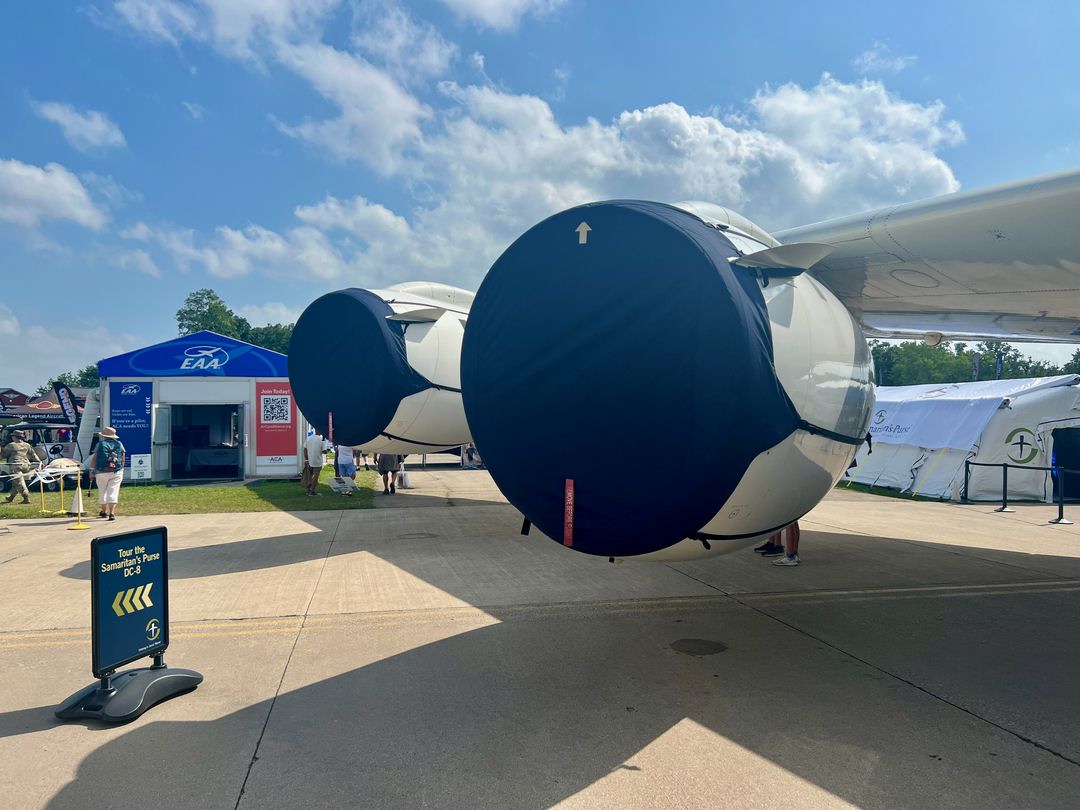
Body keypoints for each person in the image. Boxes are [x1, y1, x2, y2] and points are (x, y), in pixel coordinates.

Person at [87, 426, 126, 520]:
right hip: (116, 471)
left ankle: (104, 512)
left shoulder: (100, 444)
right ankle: (112, 513)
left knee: (102, 491)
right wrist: (121, 468)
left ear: (104, 436)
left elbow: (95, 458)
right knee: (113, 491)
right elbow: (123, 457)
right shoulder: (119, 444)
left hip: (101, 471)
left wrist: (92, 471)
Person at [2, 429, 43, 504]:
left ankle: (26, 498)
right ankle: (11, 497)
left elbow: (3, 455)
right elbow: (33, 454)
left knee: (19, 482)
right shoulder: (27, 445)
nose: (12, 438)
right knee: (16, 482)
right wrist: (39, 461)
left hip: (15, 465)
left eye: (13, 436)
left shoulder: (11, 445)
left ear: (15, 437)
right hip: (26, 465)